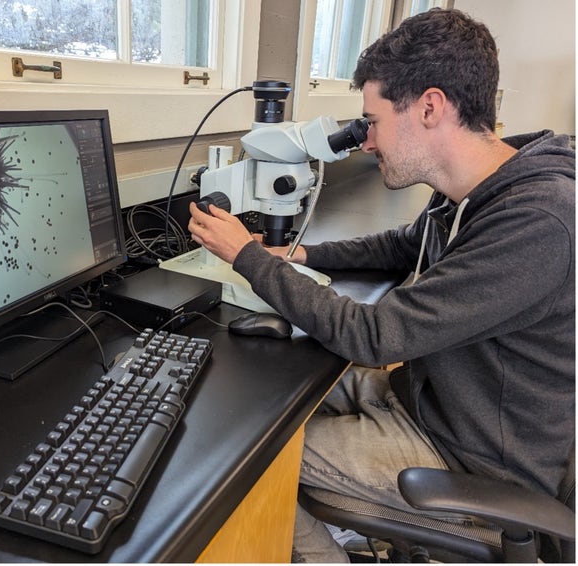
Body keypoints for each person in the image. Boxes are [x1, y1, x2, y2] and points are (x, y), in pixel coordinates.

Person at [187, 7, 575, 562]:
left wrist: (247, 257)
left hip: (472, 459)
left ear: (430, 107)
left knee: (250, 462)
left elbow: (373, 336)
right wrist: (296, 253)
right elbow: (399, 246)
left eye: (373, 120)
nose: (366, 141)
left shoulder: (538, 223)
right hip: (434, 400)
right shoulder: (479, 186)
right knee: (265, 400)